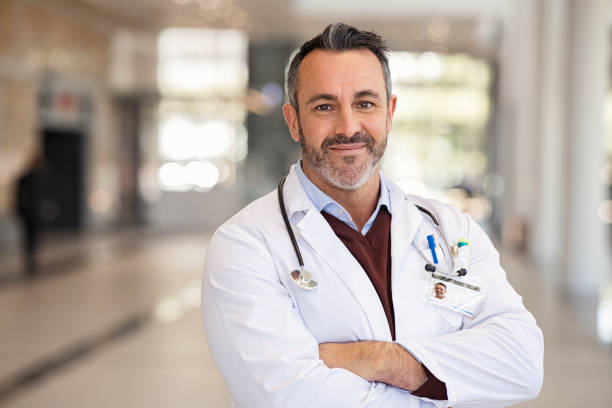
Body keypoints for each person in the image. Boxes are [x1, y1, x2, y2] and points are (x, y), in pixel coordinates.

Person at [202, 22, 543, 408]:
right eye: (324, 106)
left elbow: (523, 363)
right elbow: (288, 396)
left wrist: (378, 359)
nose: (348, 127)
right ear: (294, 120)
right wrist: (443, 384)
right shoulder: (245, 244)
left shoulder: (451, 229)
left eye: (365, 103)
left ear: (389, 113)